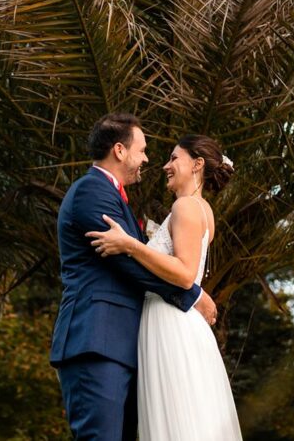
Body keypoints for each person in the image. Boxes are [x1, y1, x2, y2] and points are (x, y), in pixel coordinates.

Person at [50, 113, 218, 440]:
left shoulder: (117, 199)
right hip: (96, 340)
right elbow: (127, 264)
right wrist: (192, 295)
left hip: (124, 345)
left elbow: (136, 254)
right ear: (119, 150)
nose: (147, 159)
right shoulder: (91, 191)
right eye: (142, 150)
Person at [88, 133, 243, 440]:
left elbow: (185, 274)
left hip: (170, 322)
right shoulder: (199, 209)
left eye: (174, 158)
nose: (165, 166)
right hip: (175, 320)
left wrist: (130, 245)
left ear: (197, 164)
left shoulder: (186, 206)